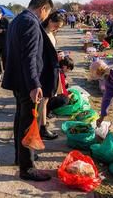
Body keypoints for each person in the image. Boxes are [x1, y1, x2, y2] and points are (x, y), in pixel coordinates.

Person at [2, 0, 54, 182]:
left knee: (20, 120)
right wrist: (34, 84)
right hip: (27, 83)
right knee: (28, 124)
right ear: (43, 8)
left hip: (18, 80)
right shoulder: (31, 22)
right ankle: (27, 167)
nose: (45, 17)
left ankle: (21, 156)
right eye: (47, 13)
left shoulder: (17, 19)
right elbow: (29, 56)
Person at [38, 10, 66, 140]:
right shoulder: (42, 32)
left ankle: (41, 125)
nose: (56, 29)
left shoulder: (50, 32)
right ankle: (41, 128)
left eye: (59, 28)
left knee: (46, 99)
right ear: (50, 21)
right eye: (56, 26)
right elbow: (41, 54)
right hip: (45, 70)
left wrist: (58, 54)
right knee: (44, 99)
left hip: (51, 68)